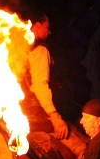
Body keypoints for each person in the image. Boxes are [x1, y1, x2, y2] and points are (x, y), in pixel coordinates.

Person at [19, 10, 68, 139]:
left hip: (18, 111)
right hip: (38, 114)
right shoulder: (40, 50)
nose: (49, 32)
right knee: (81, 147)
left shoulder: (16, 49)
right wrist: (54, 116)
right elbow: (39, 85)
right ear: (37, 25)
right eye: (47, 27)